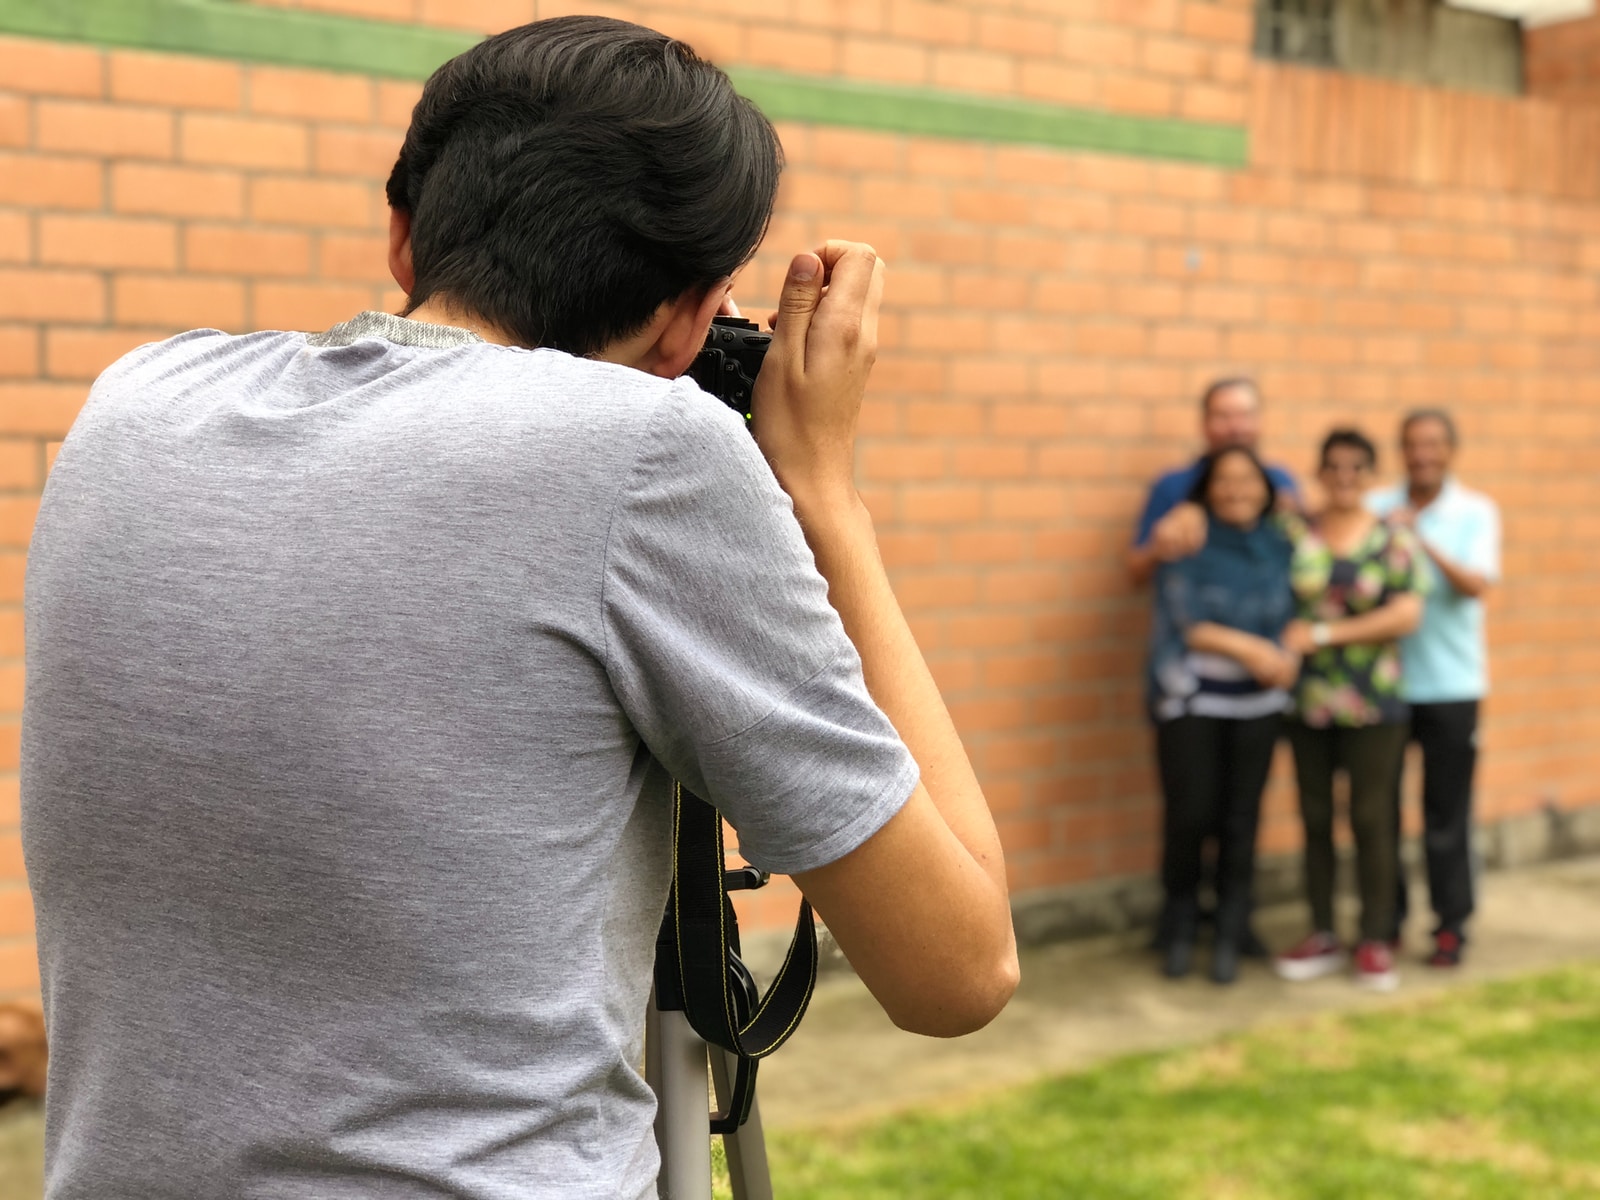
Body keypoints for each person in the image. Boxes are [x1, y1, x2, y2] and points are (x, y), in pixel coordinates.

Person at [21, 19, 1018, 1198]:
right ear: (693, 318)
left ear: (403, 234)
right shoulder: (652, 451)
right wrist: (823, 495)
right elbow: (958, 970)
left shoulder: (140, 398)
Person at [1274, 430, 1426, 993]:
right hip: (1308, 703)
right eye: (1333, 466)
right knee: (1315, 818)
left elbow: (1406, 614)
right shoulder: (1296, 533)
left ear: (1371, 475)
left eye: (1356, 468)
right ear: (1319, 471)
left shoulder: (1393, 537)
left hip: (1374, 704)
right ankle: (1320, 930)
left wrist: (1322, 632)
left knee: (1370, 818)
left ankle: (1375, 938)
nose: (1344, 477)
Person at [1147, 447, 1297, 985]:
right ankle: (1180, 925)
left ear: (1267, 487)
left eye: (1248, 480)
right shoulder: (1188, 535)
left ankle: (1233, 930)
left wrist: (1286, 654)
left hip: (1259, 705)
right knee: (1191, 817)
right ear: (1207, 488)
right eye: (1225, 480)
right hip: (1194, 700)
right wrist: (1252, 650)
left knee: (1242, 819)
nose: (1237, 489)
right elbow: (1188, 620)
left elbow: (1302, 608)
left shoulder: (1284, 542)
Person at [1368, 409, 1500, 968]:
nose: (1422, 454)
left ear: (1450, 450)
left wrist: (1418, 541)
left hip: (1452, 686)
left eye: (1432, 445)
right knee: (1382, 813)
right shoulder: (1377, 507)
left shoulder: (1474, 511)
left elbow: (1474, 587)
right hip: (1388, 686)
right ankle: (1387, 921)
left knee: (1447, 813)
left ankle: (1451, 925)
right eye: (1412, 445)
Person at [1126, 377, 1299, 589]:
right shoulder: (1173, 486)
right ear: (1204, 423)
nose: (1235, 428)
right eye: (1223, 416)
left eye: (1245, 415)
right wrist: (1161, 545)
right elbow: (1136, 571)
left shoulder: (1279, 481)